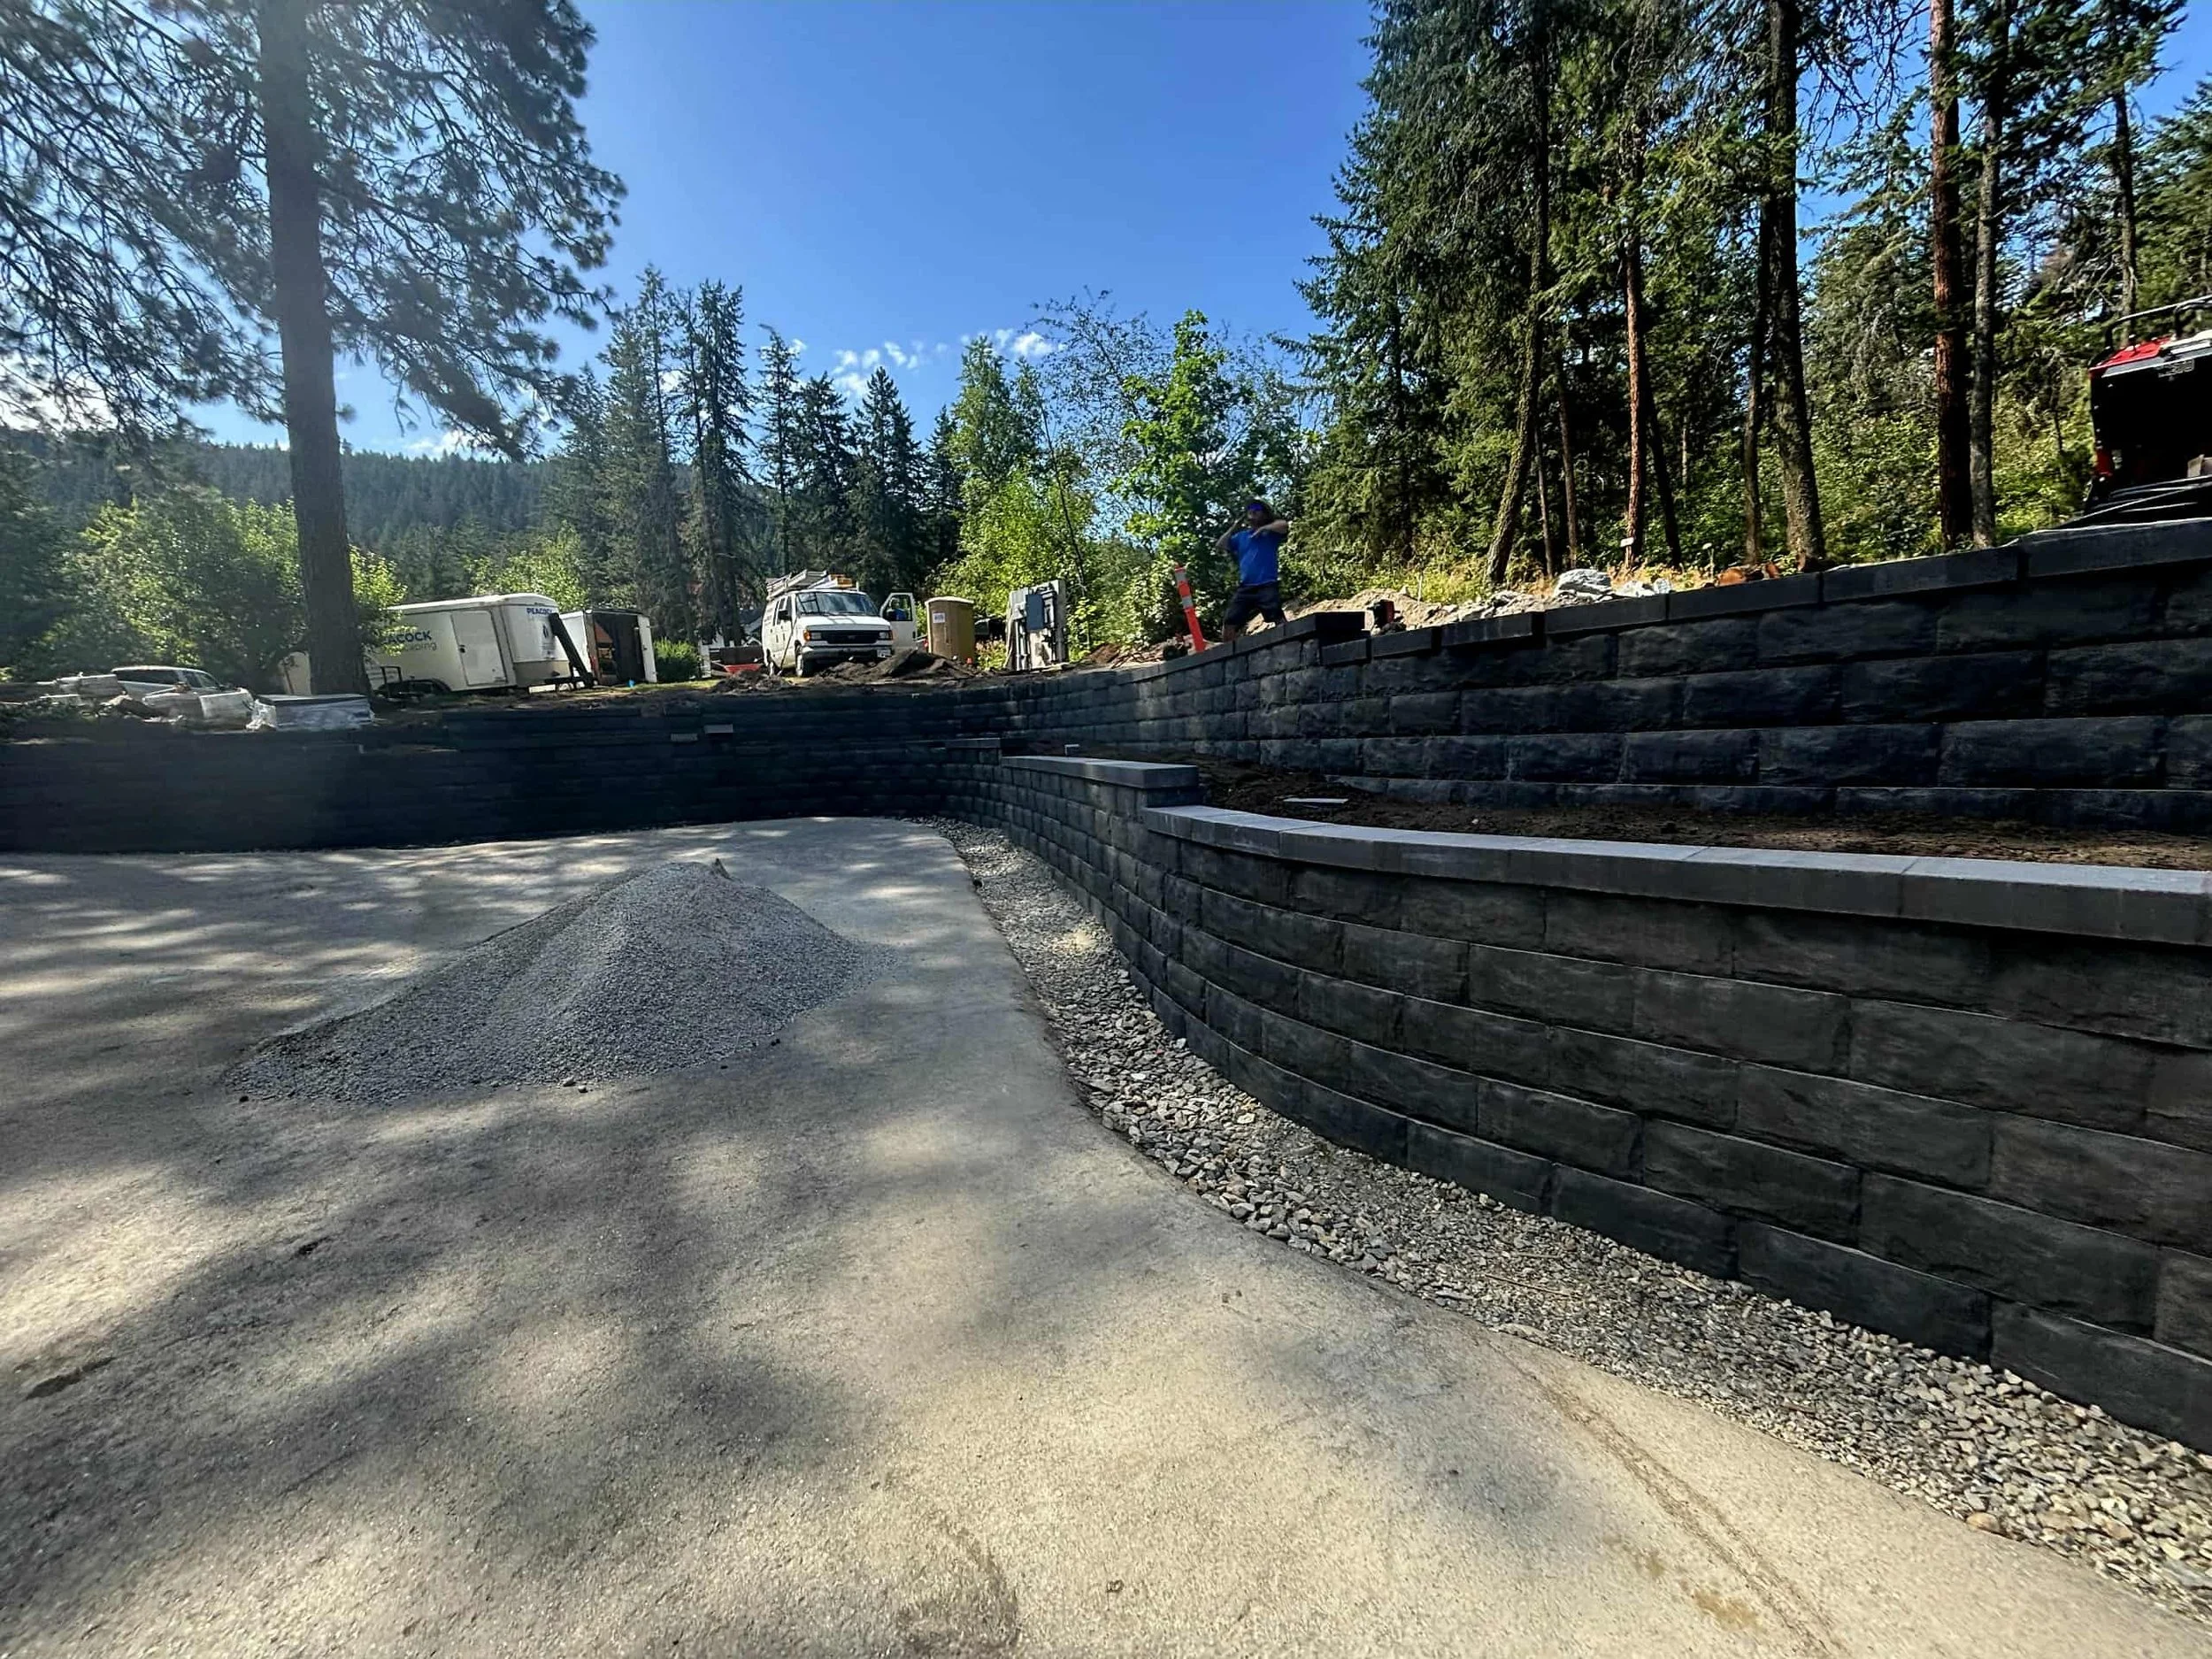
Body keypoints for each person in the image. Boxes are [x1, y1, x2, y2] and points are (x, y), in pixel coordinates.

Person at [1215, 500, 1290, 644]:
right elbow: (1221, 544)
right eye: (1250, 509)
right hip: (1246, 587)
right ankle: (1231, 659)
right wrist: (1233, 527)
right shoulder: (1241, 537)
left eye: (1257, 509)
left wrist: (1263, 529)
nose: (1253, 511)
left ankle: (1290, 644)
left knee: (1278, 618)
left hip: (1267, 584)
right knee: (1229, 623)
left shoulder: (1271, 533)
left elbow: (1284, 525)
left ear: (1265, 514)